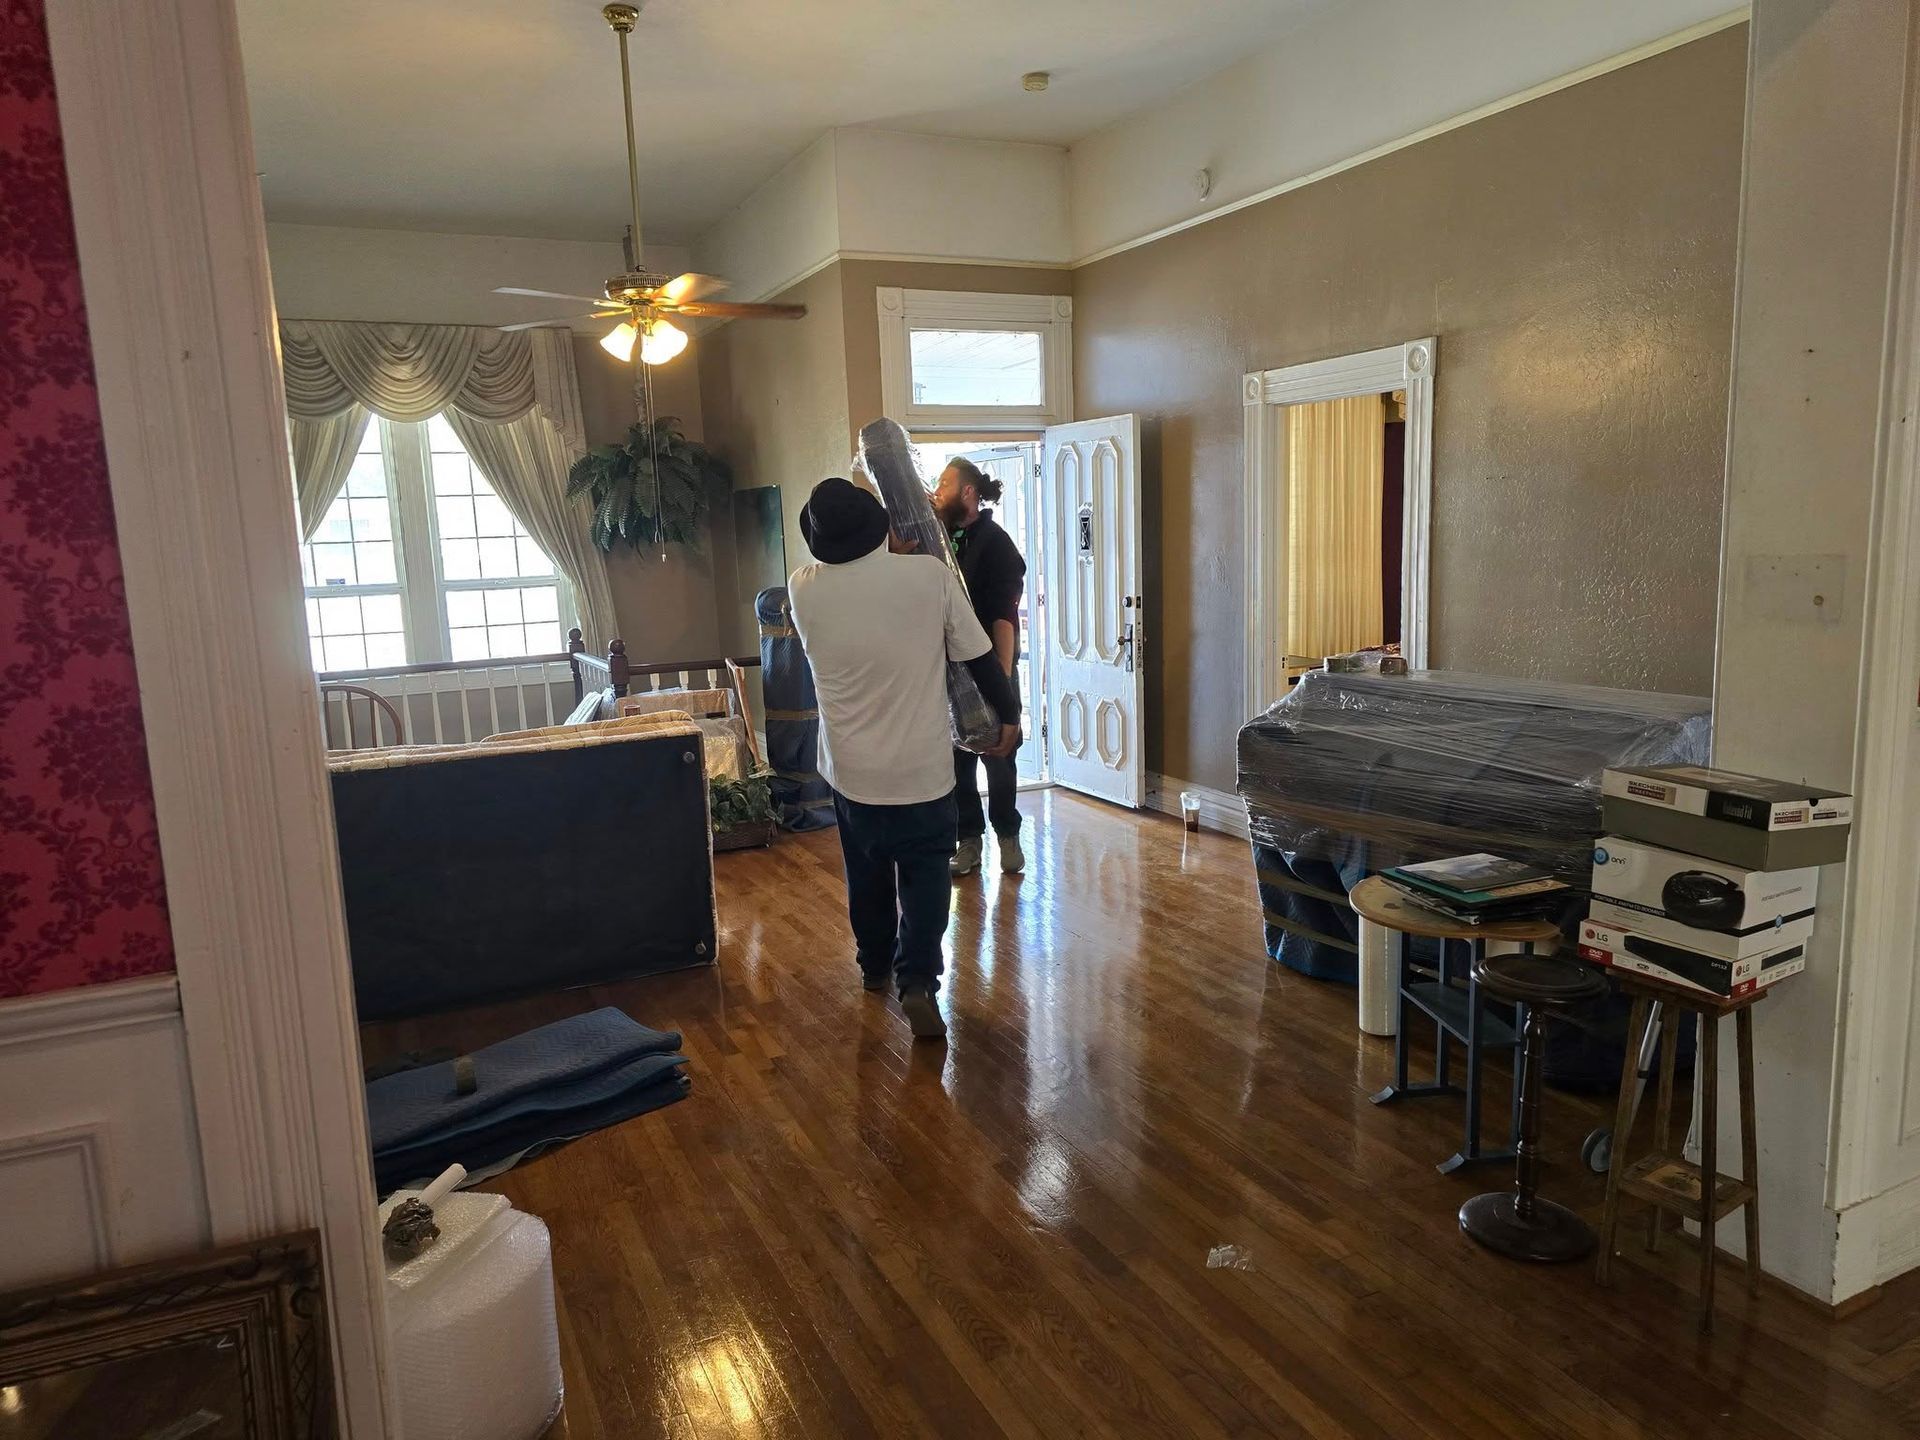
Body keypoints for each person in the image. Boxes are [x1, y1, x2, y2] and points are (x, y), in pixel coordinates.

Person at [787, 476, 1021, 1040]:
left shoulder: (802, 588)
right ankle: (917, 980)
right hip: (923, 772)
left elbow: (861, 583)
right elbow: (982, 658)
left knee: (866, 875)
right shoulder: (930, 577)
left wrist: (883, 555)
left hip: (850, 775)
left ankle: (873, 969)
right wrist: (1009, 716)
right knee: (924, 879)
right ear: (880, 526)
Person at [931, 458, 1028, 879]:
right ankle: (968, 841)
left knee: (999, 755)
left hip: (993, 665)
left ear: (968, 492)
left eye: (945, 483)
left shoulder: (995, 542)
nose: (938, 489)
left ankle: (1007, 833)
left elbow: (1004, 618)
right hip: (949, 674)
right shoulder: (937, 541)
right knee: (957, 762)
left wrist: (1002, 688)